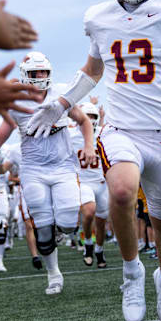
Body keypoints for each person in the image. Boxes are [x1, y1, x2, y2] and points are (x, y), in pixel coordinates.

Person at [26, 0, 161, 321]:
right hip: (122, 129)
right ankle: (131, 274)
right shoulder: (99, 17)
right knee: (122, 192)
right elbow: (93, 71)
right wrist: (61, 104)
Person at [0, 51, 97, 295]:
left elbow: (84, 121)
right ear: (25, 75)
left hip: (63, 167)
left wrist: (89, 146)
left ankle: (58, 233)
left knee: (69, 223)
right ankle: (53, 274)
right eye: (36, 73)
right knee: (43, 229)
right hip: (34, 170)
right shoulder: (16, 103)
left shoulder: (61, 95)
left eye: (44, 72)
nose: (40, 77)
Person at [70, 102, 110, 268]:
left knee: (101, 222)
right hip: (83, 182)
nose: (91, 120)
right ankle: (87, 244)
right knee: (88, 213)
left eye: (94, 117)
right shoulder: (70, 136)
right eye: (88, 116)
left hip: (101, 183)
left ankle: (99, 250)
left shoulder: (103, 134)